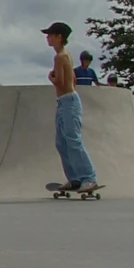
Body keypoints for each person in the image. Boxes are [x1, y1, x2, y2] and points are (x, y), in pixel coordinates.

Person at [43, 24, 98, 192]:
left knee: (73, 140)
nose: (48, 38)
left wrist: (51, 77)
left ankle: (89, 177)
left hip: (69, 102)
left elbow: (59, 81)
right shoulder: (67, 56)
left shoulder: (60, 57)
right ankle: (74, 178)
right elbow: (73, 80)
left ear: (59, 37)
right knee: (61, 142)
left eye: (50, 35)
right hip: (64, 101)